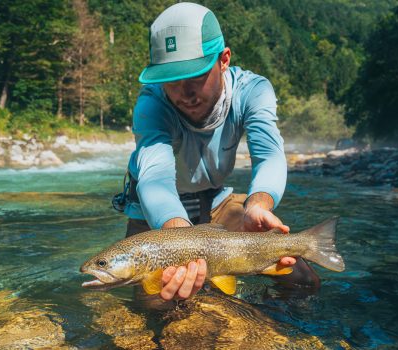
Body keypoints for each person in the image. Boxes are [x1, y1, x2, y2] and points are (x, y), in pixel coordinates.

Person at [122, 2, 319, 302]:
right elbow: (154, 177)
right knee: (159, 301)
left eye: (196, 78)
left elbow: (269, 156)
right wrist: (180, 242)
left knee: (301, 278)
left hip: (216, 199)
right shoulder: (152, 104)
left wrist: (258, 205)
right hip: (155, 216)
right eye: (170, 82)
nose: (184, 94)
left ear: (224, 59)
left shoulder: (252, 91)